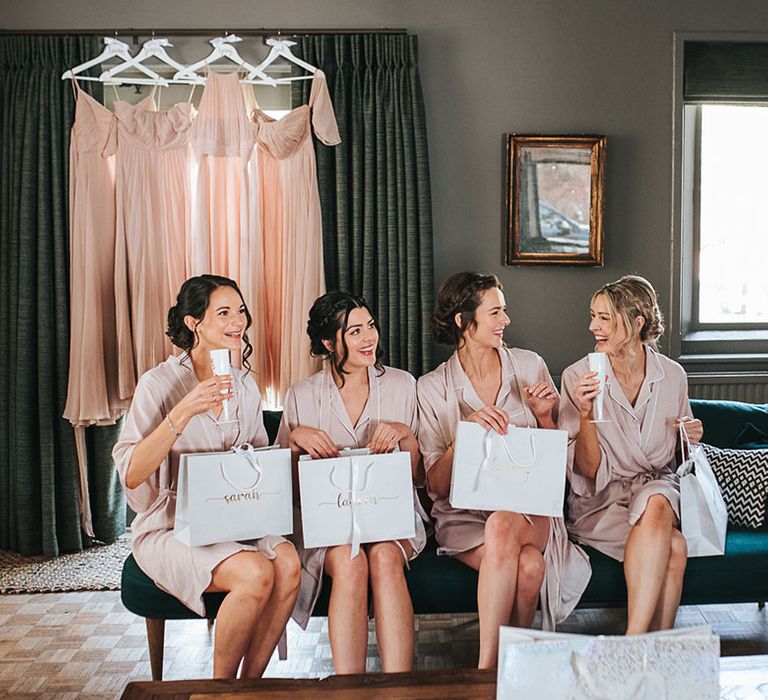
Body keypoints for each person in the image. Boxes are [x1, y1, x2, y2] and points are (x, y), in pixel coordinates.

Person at [113, 274, 300, 679]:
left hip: (234, 516)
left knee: (287, 560)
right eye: (224, 313)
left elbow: (256, 462)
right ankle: (219, 689)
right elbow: (131, 473)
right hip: (170, 526)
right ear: (193, 323)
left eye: (241, 311)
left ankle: (248, 686)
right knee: (255, 571)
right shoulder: (158, 383)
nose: (239, 322)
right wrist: (183, 412)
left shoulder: (245, 385)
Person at [417, 272, 590, 669]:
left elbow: (559, 466)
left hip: (531, 514)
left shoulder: (530, 366)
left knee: (502, 525)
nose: (506, 321)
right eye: (495, 312)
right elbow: (436, 485)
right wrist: (464, 438)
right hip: (463, 518)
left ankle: (487, 669)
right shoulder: (431, 388)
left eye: (504, 311)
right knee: (529, 568)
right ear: (463, 321)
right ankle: (518, 668)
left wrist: (545, 417)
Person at [276, 290, 429, 674]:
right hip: (327, 523)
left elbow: (418, 477)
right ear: (330, 342)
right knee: (350, 560)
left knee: (383, 555)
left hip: (391, 515)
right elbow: (284, 490)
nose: (369, 338)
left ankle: (399, 685)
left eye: (371, 326)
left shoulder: (402, 385)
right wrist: (295, 442)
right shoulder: (302, 396)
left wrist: (403, 435)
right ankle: (350, 686)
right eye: (355, 331)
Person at [559, 274, 703, 634]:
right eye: (593, 316)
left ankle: (632, 640)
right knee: (674, 547)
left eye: (604, 318)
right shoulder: (578, 375)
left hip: (658, 488)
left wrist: (691, 436)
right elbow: (588, 470)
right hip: (602, 503)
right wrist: (586, 413)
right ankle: (655, 647)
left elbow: (679, 458)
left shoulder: (672, 375)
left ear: (637, 322)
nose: (593, 326)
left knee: (655, 503)